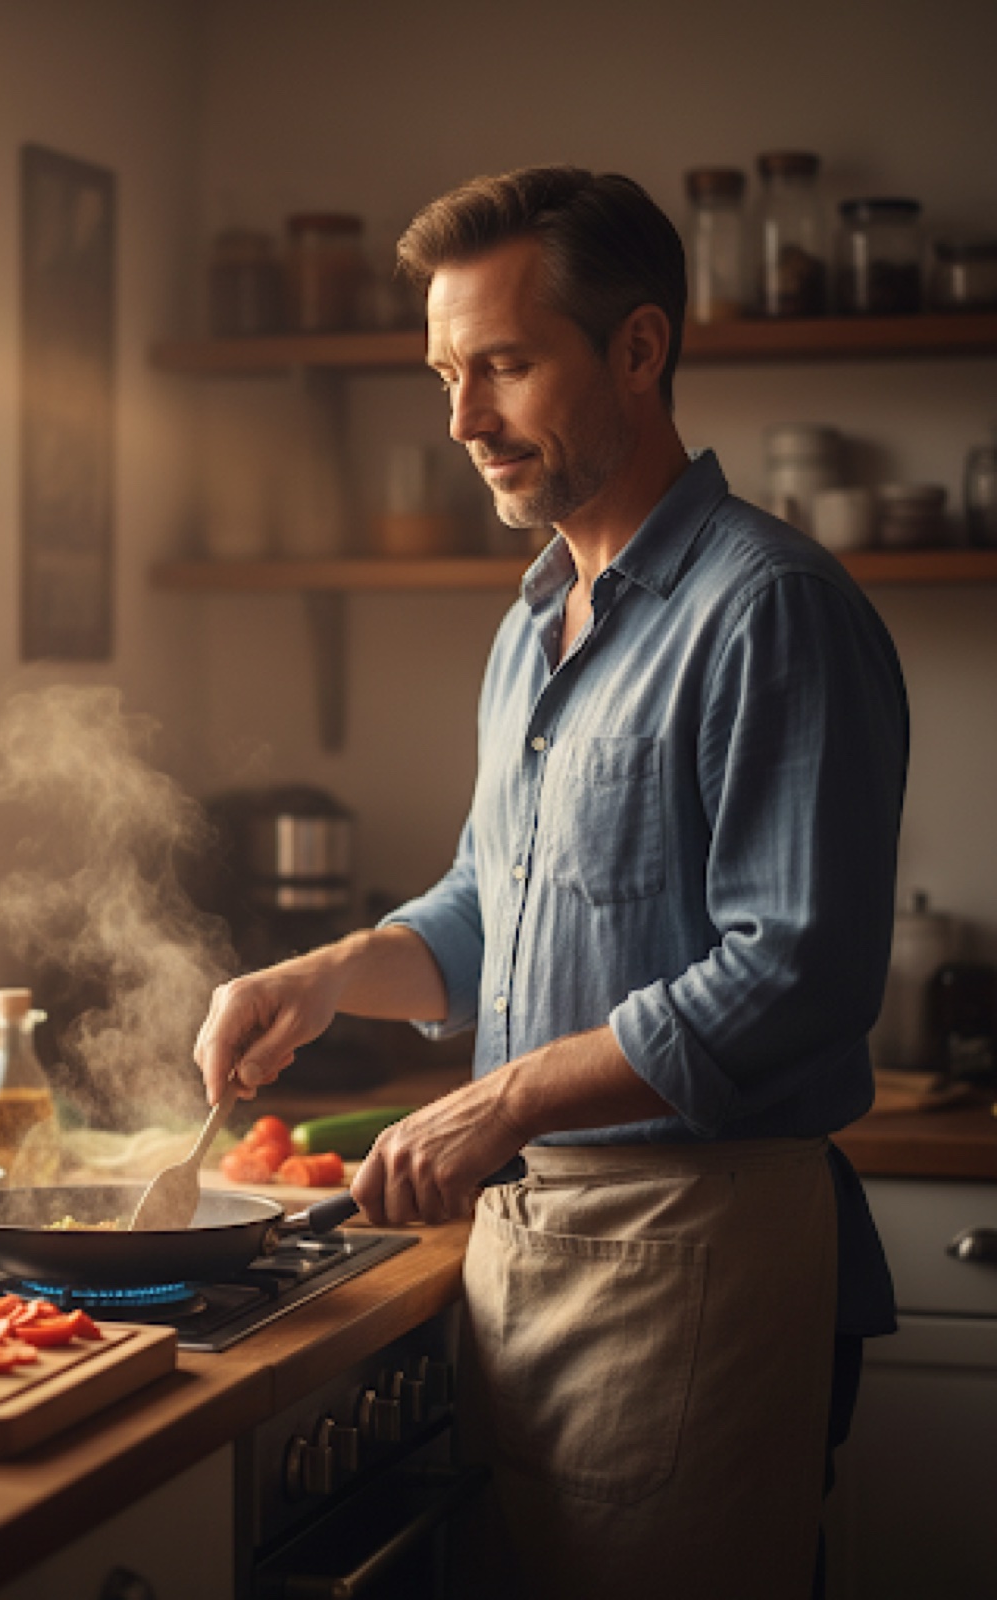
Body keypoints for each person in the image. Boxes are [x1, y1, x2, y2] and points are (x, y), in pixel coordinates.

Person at [194, 166, 906, 1600]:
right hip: (527, 1253)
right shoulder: (532, 628)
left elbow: (795, 968)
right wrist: (319, 976)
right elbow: (486, 908)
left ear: (639, 351)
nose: (463, 422)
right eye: (448, 374)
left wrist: (506, 1096)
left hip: (693, 1255)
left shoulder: (767, 609)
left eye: (504, 367)